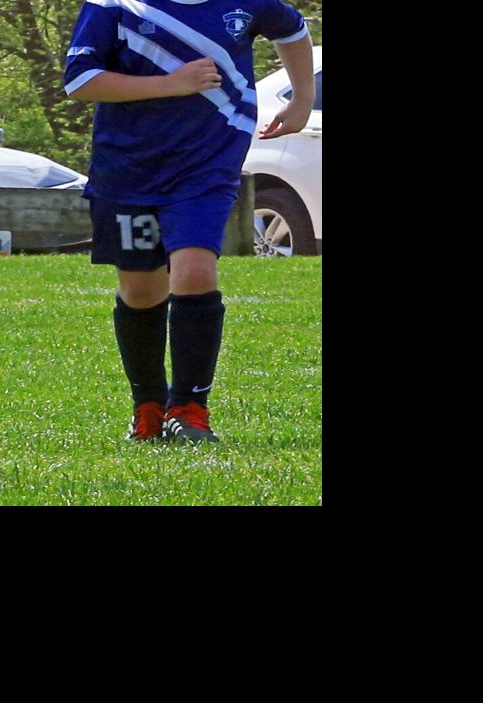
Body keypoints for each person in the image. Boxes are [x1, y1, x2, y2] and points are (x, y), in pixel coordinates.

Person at [65, 0, 314, 443]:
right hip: (129, 170)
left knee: (195, 270)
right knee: (141, 289)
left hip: (206, 165)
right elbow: (81, 80)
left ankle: (191, 408)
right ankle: (149, 406)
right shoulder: (112, 7)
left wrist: (302, 99)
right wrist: (170, 84)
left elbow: (291, 30)